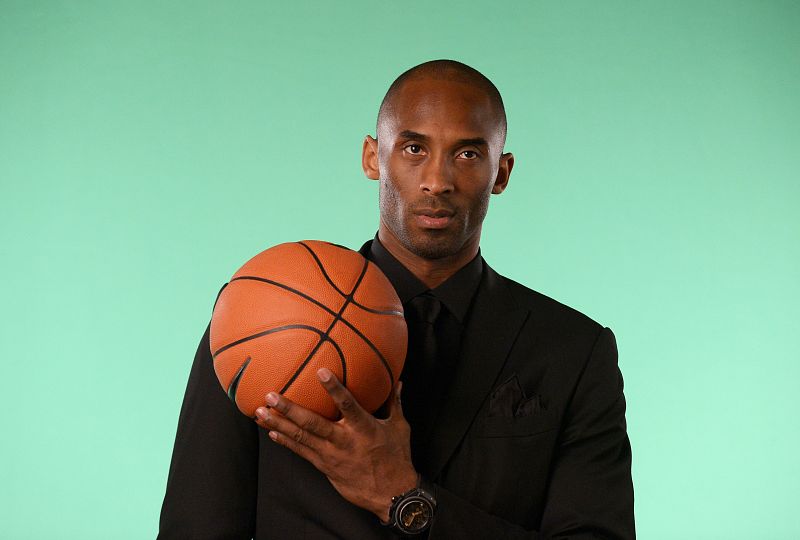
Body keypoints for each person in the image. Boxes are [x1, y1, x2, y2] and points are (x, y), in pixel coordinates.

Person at [158, 59, 635, 539]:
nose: (437, 180)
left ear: (501, 173)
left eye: (468, 154)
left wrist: (404, 497)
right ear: (373, 157)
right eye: (413, 148)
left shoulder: (573, 351)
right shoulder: (258, 314)